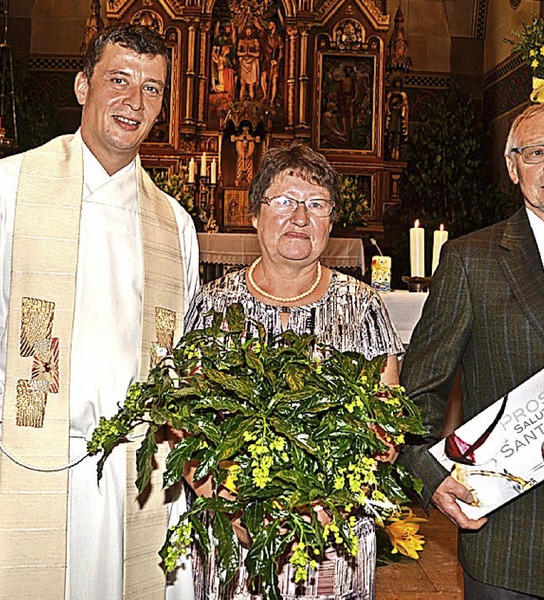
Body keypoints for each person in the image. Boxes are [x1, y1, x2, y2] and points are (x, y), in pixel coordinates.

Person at [400, 103, 544, 599]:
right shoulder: (471, 262)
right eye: (535, 152)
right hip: (513, 540)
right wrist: (430, 476)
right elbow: (419, 390)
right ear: (513, 168)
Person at [0, 24, 200, 600]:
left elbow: (179, 360)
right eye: (118, 80)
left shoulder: (174, 225)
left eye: (153, 89)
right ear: (83, 85)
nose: (134, 102)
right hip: (29, 460)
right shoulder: (13, 190)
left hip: (138, 476)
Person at [184, 142, 404, 599]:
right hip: (233, 534)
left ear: (331, 221)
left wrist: (327, 505)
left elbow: (386, 426)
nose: (300, 218)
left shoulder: (363, 306)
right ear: (254, 215)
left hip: (333, 536)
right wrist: (233, 509)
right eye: (284, 201)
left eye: (316, 205)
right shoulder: (211, 306)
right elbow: (184, 426)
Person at [237, 25, 261, 100]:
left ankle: (251, 102)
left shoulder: (255, 41)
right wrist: (244, 54)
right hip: (244, 63)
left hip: (252, 62)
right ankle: (241, 101)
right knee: (242, 84)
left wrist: (249, 53)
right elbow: (238, 53)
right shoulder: (241, 41)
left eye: (249, 32)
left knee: (251, 85)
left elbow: (258, 54)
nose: (248, 34)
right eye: (247, 32)